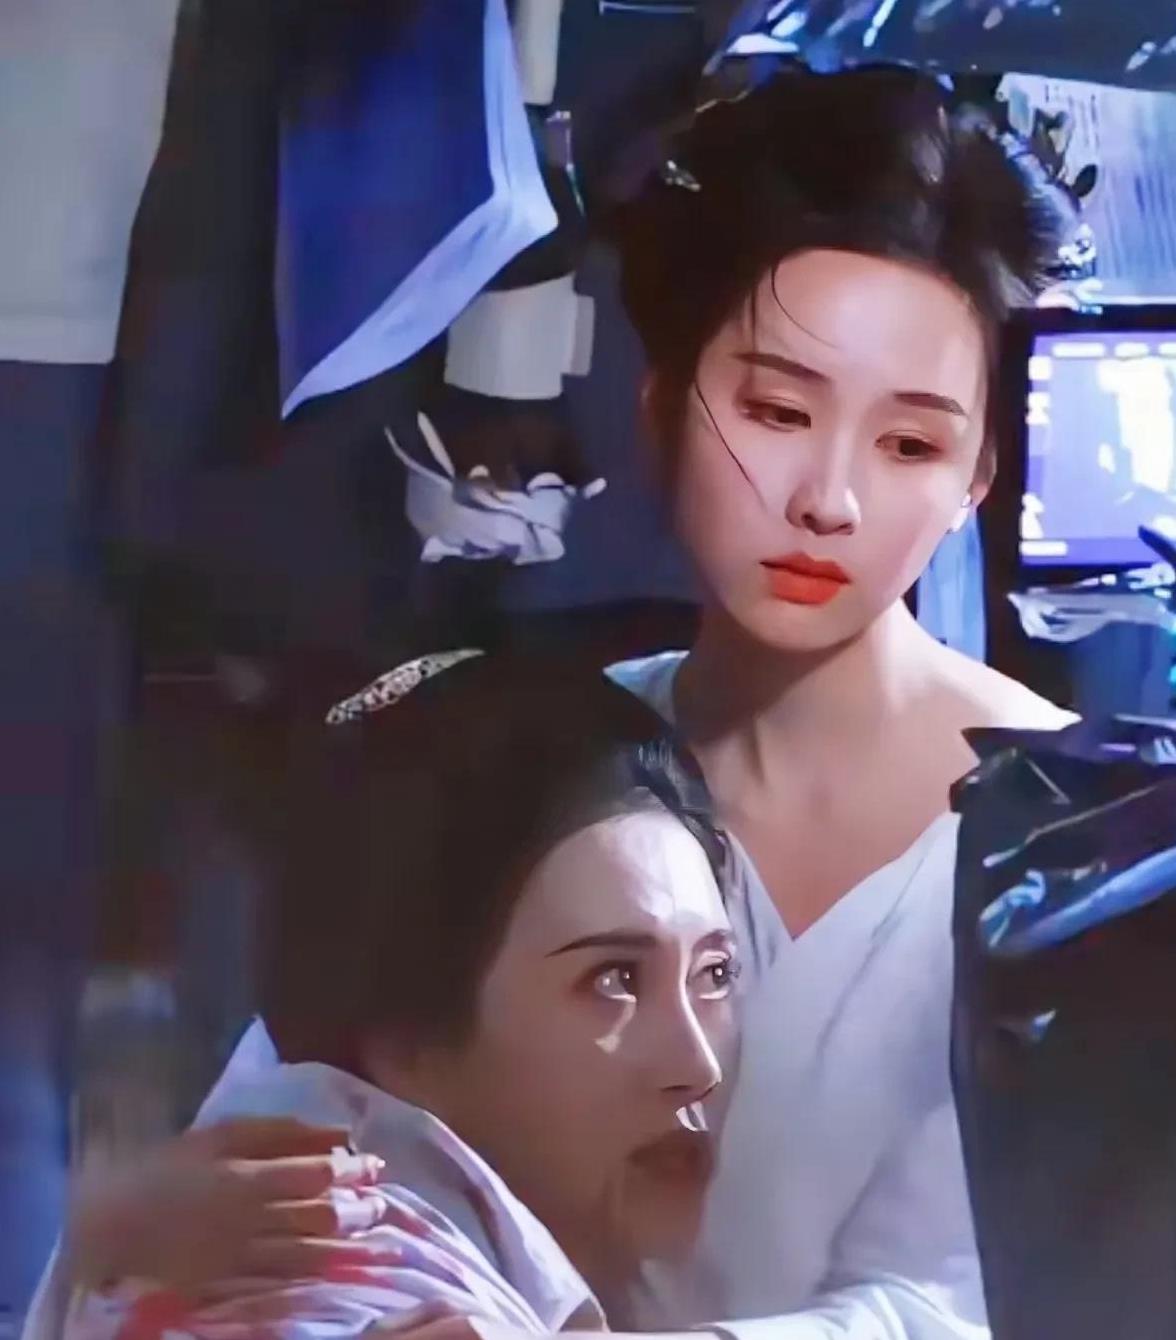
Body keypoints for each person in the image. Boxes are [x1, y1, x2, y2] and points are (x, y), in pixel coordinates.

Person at [47, 65, 1079, 1340]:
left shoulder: (1079, 833)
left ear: (978, 474)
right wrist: (159, 1220)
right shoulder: (522, 758)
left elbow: (990, 1295)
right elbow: (324, 1111)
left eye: (909, 442)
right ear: (660, 407)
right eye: (775, 409)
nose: (830, 497)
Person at [52, 650, 738, 1340]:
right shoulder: (344, 1285)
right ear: (406, 1039)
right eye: (615, 980)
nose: (697, 1066)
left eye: (713, 973)